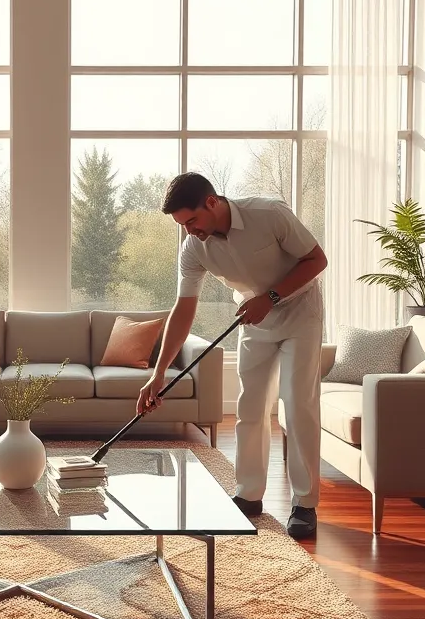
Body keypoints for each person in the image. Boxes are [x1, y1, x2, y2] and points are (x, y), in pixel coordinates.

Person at [137, 172, 328, 539]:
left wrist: (270, 298)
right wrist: (159, 372)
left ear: (212, 202)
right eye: (182, 225)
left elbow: (316, 260)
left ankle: (305, 503)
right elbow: (184, 308)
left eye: (191, 221)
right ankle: (249, 495)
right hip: (254, 319)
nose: (189, 231)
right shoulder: (194, 248)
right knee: (250, 406)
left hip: (301, 313)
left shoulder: (269, 214)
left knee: (297, 401)